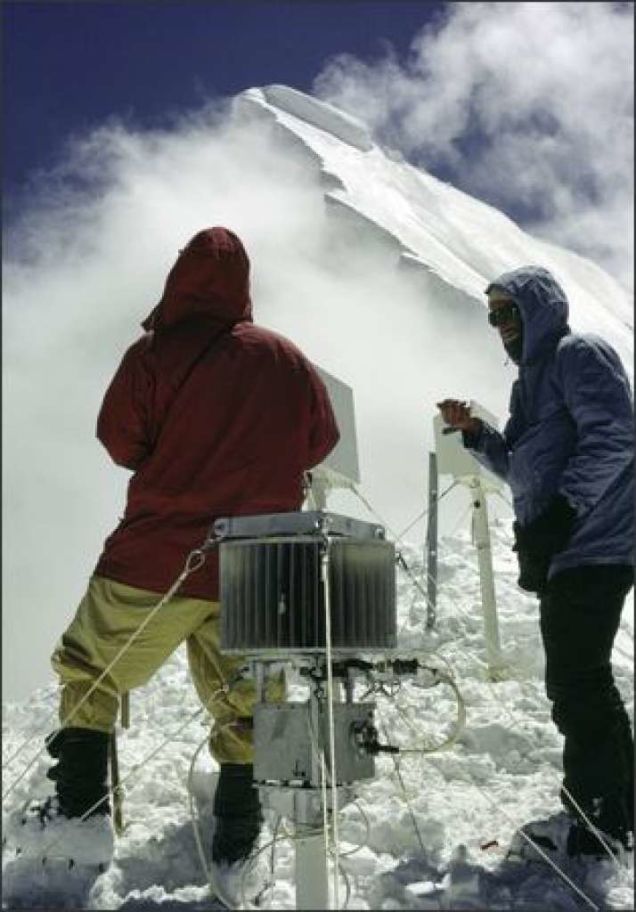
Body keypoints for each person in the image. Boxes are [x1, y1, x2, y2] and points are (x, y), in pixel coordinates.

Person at [12, 227, 339, 874]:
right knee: (249, 701)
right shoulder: (287, 358)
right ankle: (237, 843)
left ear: (180, 277)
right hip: (256, 565)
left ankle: (80, 817)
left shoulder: (154, 353)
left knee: (90, 669)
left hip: (158, 558)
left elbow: (119, 441)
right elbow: (320, 442)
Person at [438, 265, 634, 858]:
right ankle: (611, 807)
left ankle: (598, 824)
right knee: (584, 681)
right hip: (568, 551)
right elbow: (526, 472)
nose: (500, 325)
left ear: (539, 307)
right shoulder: (529, 385)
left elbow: (617, 437)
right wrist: (479, 437)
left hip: (596, 546)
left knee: (576, 684)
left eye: (508, 311)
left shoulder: (579, 354)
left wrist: (564, 514)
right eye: (493, 315)